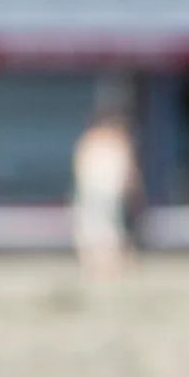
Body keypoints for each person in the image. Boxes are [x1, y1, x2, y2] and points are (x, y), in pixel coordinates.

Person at [71, 104, 138, 278]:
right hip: (94, 191)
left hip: (108, 191)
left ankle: (112, 264)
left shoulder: (116, 140)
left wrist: (129, 186)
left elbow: (127, 168)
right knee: (93, 227)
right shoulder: (93, 139)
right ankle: (97, 264)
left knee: (109, 228)